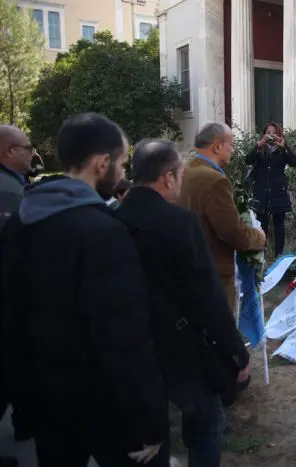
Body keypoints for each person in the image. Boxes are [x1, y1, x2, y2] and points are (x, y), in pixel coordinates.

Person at [0, 113, 169, 467]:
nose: (123, 174)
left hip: (45, 402)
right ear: (101, 162)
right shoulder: (103, 232)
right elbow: (125, 337)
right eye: (121, 163)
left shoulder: (21, 220)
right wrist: (152, 421)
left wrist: (25, 402)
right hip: (104, 407)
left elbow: (10, 319)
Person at [117, 139, 252, 467]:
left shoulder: (112, 219)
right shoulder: (178, 222)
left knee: (150, 435)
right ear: (167, 177)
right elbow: (207, 295)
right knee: (205, 425)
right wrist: (237, 353)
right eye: (178, 175)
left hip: (130, 345)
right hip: (182, 347)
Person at [179, 122, 266, 320]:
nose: (233, 150)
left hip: (187, 269)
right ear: (217, 146)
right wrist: (259, 237)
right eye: (231, 145)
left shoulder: (184, 171)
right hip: (213, 276)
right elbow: (232, 232)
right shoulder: (214, 180)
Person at [0, 125, 35, 467]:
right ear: (9, 151)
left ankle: (27, 421)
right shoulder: (8, 191)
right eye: (27, 147)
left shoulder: (13, 185)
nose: (32, 153)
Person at [245, 122, 296, 257]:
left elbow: (294, 162)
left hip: (277, 192)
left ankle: (278, 254)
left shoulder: (281, 150)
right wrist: (257, 146)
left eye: (273, 132)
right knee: (262, 225)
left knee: (279, 225)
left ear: (278, 134)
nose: (271, 135)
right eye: (268, 132)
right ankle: (261, 255)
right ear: (264, 134)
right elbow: (247, 160)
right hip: (262, 193)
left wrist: (284, 146)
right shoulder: (260, 150)